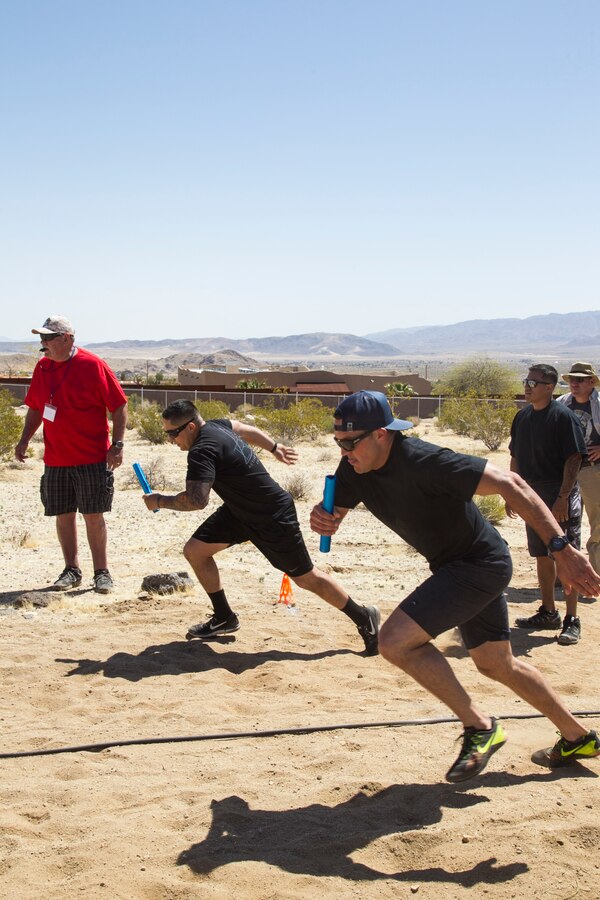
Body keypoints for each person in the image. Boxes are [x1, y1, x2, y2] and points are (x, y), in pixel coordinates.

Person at [309, 390, 600, 783]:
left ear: (381, 435)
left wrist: (561, 549)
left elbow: (512, 483)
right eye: (337, 441)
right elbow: (337, 508)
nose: (343, 450)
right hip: (457, 566)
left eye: (350, 441)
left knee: (394, 641)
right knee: (497, 664)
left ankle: (480, 727)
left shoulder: (426, 461)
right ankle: (579, 736)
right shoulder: (354, 469)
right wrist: (326, 519)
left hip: (478, 564)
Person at [141, 399, 380, 654]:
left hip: (271, 515)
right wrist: (274, 446)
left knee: (305, 578)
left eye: (172, 433)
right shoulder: (217, 426)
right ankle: (224, 617)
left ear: (189, 427)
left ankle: (364, 617)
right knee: (195, 551)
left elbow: (197, 501)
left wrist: (159, 500)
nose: (169, 440)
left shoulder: (202, 450)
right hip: (239, 510)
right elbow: (243, 428)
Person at [15, 316, 127, 593]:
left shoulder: (92, 365)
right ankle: (71, 570)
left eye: (49, 338)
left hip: (91, 456)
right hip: (56, 458)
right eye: (41, 338)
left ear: (67, 338)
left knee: (93, 515)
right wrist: (24, 440)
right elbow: (36, 407)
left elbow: (119, 405)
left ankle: (102, 572)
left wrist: (118, 444)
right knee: (63, 514)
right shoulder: (42, 367)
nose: (43, 343)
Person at [508, 365, 585, 645]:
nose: (527, 386)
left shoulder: (563, 417)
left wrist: (563, 497)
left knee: (566, 555)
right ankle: (548, 612)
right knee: (542, 555)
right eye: (526, 380)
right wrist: (512, 492)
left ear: (550, 387)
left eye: (534, 382)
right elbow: (515, 455)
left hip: (559, 495)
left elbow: (574, 458)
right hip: (532, 494)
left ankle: (572, 619)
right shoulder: (523, 417)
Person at [556, 362, 600, 576]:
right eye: (572, 379)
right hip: (565, 471)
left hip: (593, 471)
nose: (574, 383)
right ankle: (565, 573)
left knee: (598, 524)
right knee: (564, 522)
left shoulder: (599, 404)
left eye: (580, 379)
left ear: (592, 381)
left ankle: (595, 574)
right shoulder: (562, 403)